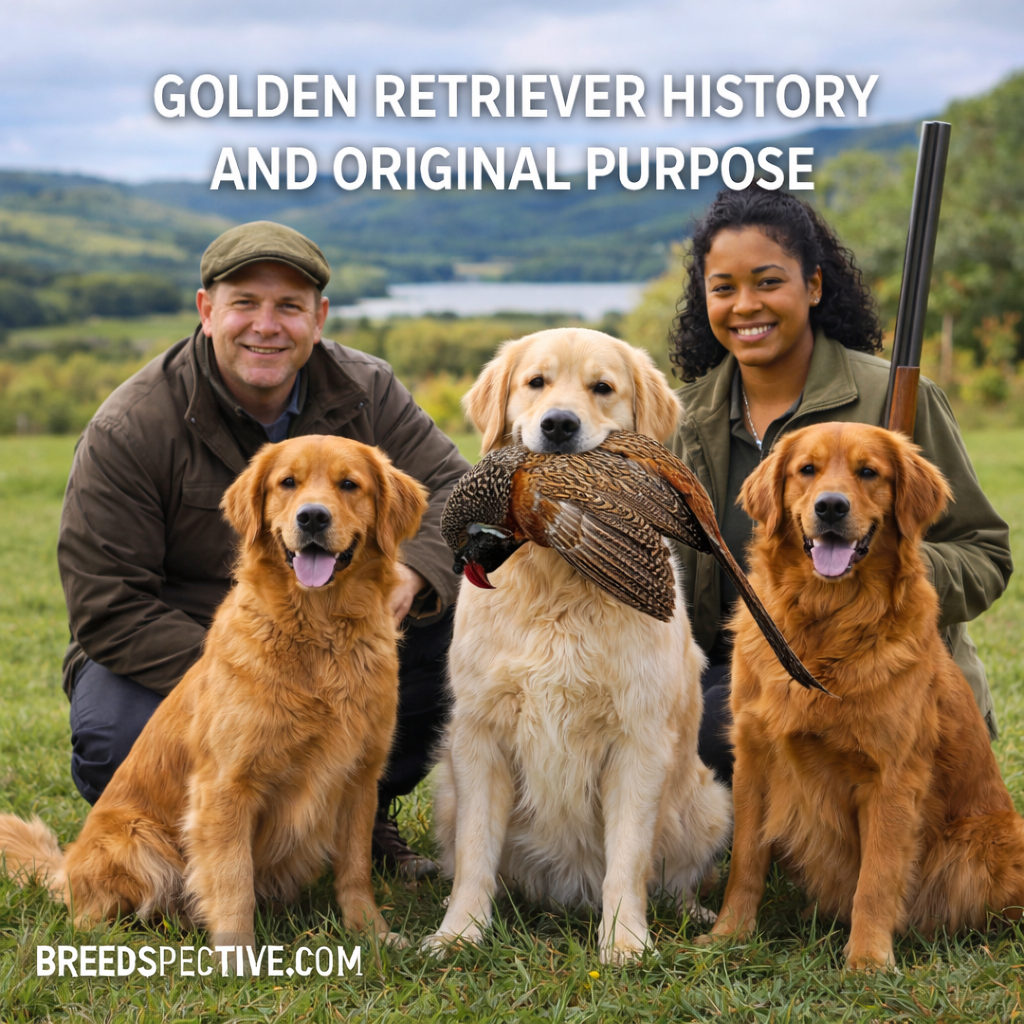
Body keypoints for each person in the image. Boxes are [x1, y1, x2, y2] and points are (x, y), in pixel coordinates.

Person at [57, 221, 471, 878]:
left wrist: (415, 572)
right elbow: (109, 603)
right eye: (245, 303)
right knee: (117, 737)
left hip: (344, 626)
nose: (266, 326)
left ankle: (355, 823)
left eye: (289, 306)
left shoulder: (368, 389)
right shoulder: (131, 425)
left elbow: (454, 487)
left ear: (319, 317)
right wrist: (247, 677)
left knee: (458, 631)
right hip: (187, 643)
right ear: (206, 310)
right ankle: (183, 846)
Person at [666, 188, 1013, 782]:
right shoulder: (682, 418)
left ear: (815, 287)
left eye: (769, 282)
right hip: (747, 673)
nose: (746, 305)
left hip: (889, 687)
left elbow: (984, 552)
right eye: (724, 288)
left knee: (713, 744)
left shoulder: (893, 399)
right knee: (676, 731)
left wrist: (888, 574)